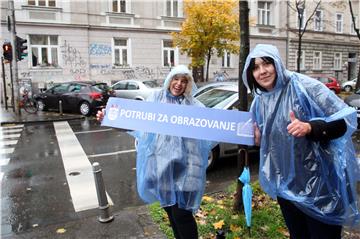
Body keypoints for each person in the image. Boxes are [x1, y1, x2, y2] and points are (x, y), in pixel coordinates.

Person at [242, 44, 360, 239]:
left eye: (266, 64)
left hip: (322, 186)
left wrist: (310, 128)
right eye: (255, 67)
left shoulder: (305, 87)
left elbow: (344, 123)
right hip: (286, 189)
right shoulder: (260, 102)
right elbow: (272, 143)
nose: (262, 71)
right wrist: (258, 141)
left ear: (277, 64)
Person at [97, 65, 212, 239]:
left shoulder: (194, 106)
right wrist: (109, 118)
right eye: (176, 79)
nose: (179, 84)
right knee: (171, 213)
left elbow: (214, 127)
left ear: (188, 84)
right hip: (162, 170)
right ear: (169, 79)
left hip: (186, 171)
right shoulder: (156, 99)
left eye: (184, 81)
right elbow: (135, 121)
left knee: (182, 215)